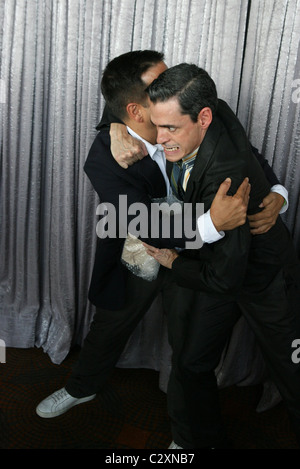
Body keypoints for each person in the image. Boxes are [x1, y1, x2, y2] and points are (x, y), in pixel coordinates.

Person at [35, 51, 285, 449]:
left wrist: (277, 192)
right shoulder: (105, 155)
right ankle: (82, 386)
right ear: (135, 110)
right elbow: (138, 224)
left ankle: (186, 438)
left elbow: (240, 149)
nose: (169, 90)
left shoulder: (188, 109)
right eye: (157, 87)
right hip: (143, 251)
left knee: (188, 351)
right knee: (110, 325)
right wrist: (210, 223)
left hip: (198, 258)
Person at [140, 63, 300, 448]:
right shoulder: (217, 108)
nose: (159, 139)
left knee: (293, 373)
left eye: (171, 129)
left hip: (262, 276)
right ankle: (204, 442)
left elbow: (225, 278)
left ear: (203, 118)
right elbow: (250, 150)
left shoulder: (221, 181)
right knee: (192, 362)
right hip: (219, 266)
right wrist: (277, 188)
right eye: (156, 125)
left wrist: (174, 261)